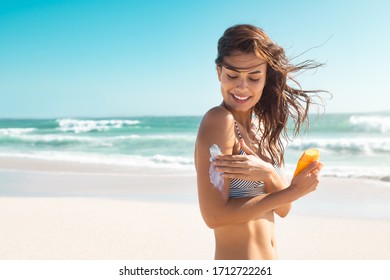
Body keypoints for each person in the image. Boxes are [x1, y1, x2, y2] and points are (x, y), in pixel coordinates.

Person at [194, 24, 324, 260]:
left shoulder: (261, 128)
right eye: (232, 75)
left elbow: (283, 209)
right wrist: (293, 190)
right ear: (218, 72)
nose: (242, 87)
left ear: (266, 77)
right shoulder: (219, 120)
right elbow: (213, 217)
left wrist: (269, 175)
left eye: (254, 77)